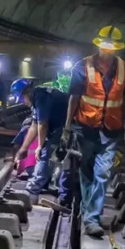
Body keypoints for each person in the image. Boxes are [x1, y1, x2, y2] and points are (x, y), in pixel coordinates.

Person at [63, 25, 125, 237]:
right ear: (98, 45)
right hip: (86, 129)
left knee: (102, 173)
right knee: (87, 172)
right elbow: (74, 97)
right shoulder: (83, 67)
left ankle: (92, 218)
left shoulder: (124, 68)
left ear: (117, 49)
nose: (107, 51)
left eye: (112, 48)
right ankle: (87, 211)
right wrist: (66, 127)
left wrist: (124, 126)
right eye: (104, 47)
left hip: (110, 131)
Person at [12, 79, 73, 208]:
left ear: (26, 92)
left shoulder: (41, 97)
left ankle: (31, 193)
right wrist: (24, 149)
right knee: (54, 156)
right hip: (61, 127)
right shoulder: (38, 96)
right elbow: (35, 124)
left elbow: (43, 125)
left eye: (22, 99)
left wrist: (39, 146)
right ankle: (61, 194)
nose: (23, 102)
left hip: (67, 127)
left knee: (46, 154)